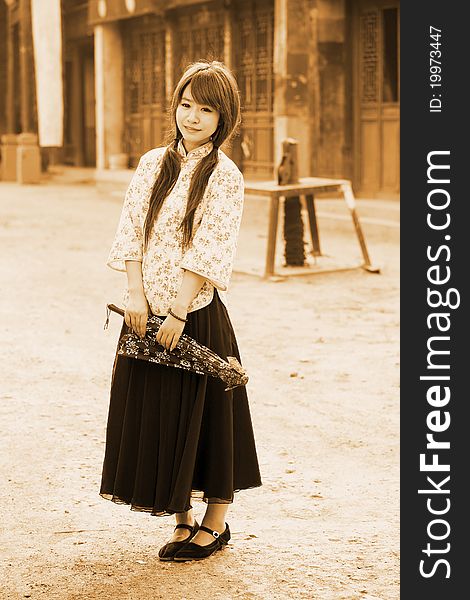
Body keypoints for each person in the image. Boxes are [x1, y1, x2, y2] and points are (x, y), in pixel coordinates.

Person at [99, 61, 262, 562]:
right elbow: (131, 229)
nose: (192, 116)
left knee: (208, 414)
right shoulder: (152, 162)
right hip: (142, 311)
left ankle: (215, 522)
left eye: (206, 108)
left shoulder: (225, 175)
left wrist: (177, 311)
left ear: (223, 117)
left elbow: (209, 247)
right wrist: (135, 294)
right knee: (162, 413)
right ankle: (181, 518)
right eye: (186, 104)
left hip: (195, 314)